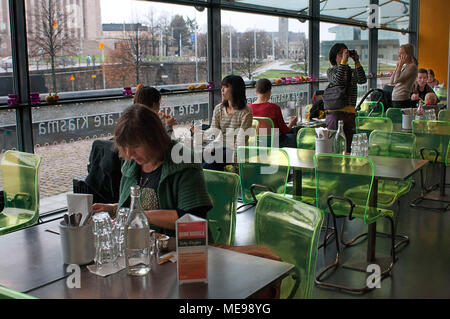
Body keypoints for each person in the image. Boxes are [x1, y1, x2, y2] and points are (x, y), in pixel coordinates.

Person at [92, 104, 212, 236]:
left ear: (154, 138)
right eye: (125, 147)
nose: (129, 153)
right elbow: (143, 205)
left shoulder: (184, 160)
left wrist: (139, 215)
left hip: (183, 248)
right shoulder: (132, 165)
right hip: (146, 246)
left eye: (135, 146)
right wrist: (114, 209)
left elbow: (193, 217)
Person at [194, 75, 253, 171]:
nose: (222, 90)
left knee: (212, 161)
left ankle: (202, 175)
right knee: (195, 157)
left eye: (225, 87)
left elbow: (241, 139)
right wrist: (201, 133)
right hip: (219, 147)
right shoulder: (219, 108)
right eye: (221, 87)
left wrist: (237, 157)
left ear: (236, 89)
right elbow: (214, 131)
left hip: (233, 150)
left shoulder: (246, 112)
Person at [325, 43, 367, 151]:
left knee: (349, 148)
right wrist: (343, 62)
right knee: (336, 147)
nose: (344, 56)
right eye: (340, 54)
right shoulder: (331, 71)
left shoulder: (351, 71)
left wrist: (356, 61)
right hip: (335, 115)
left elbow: (362, 80)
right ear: (334, 57)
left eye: (345, 54)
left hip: (350, 115)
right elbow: (338, 81)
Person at [249, 78, 297, 148]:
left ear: (256, 91)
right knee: (294, 137)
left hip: (256, 143)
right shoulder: (274, 108)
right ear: (269, 91)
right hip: (274, 143)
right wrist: (291, 123)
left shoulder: (248, 109)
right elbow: (285, 131)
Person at [389, 43, 418, 108]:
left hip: (402, 99)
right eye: (399, 53)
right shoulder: (405, 66)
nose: (399, 55)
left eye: (402, 53)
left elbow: (396, 80)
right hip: (396, 99)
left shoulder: (412, 67)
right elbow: (391, 82)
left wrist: (400, 66)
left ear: (408, 55)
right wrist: (397, 67)